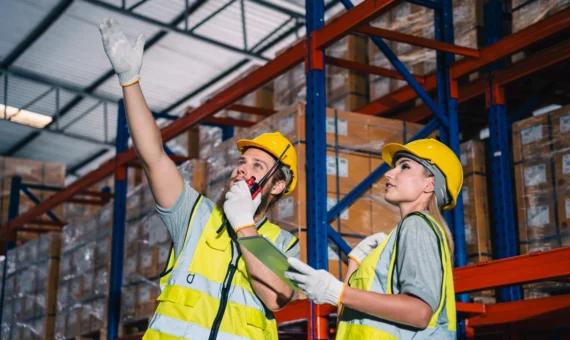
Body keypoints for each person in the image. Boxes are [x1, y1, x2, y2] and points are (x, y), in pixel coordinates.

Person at [99, 18, 301, 340]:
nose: (242, 169)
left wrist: (244, 226)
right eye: (241, 162)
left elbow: (277, 297)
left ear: (276, 187)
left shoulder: (282, 243)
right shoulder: (195, 216)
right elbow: (153, 157)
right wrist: (130, 81)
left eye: (258, 166)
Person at [285, 138, 461, 339]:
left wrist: (335, 290)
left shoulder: (417, 224)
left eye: (404, 167)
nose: (389, 173)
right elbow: (350, 317)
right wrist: (355, 263)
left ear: (430, 184)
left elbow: (420, 312)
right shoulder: (400, 235)